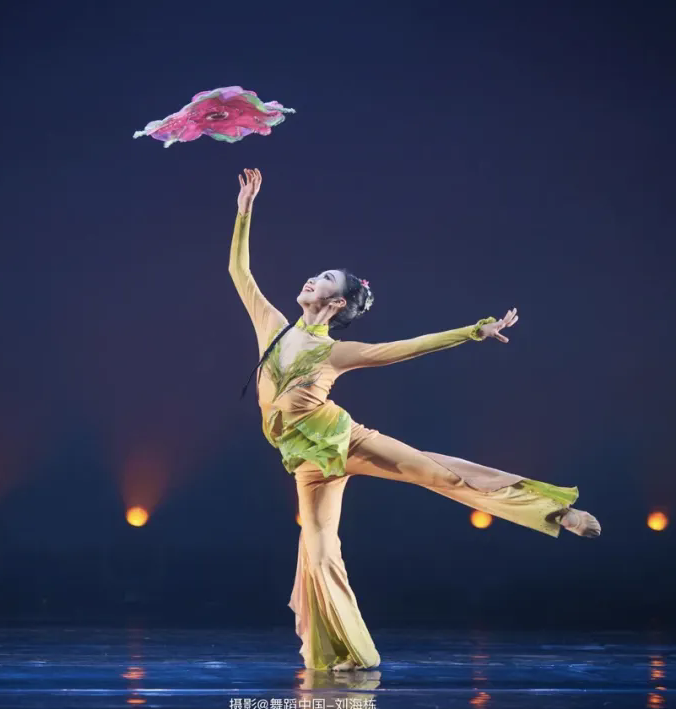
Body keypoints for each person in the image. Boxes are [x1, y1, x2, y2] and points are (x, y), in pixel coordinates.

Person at [229, 168, 600, 672]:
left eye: (326, 280)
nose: (313, 278)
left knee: (438, 472)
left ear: (336, 303)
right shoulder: (272, 326)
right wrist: (245, 211)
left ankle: (557, 512)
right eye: (318, 274)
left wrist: (472, 332)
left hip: (346, 440)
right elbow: (240, 272)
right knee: (317, 551)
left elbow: (406, 347)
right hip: (307, 463)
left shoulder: (337, 352)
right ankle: (351, 653)